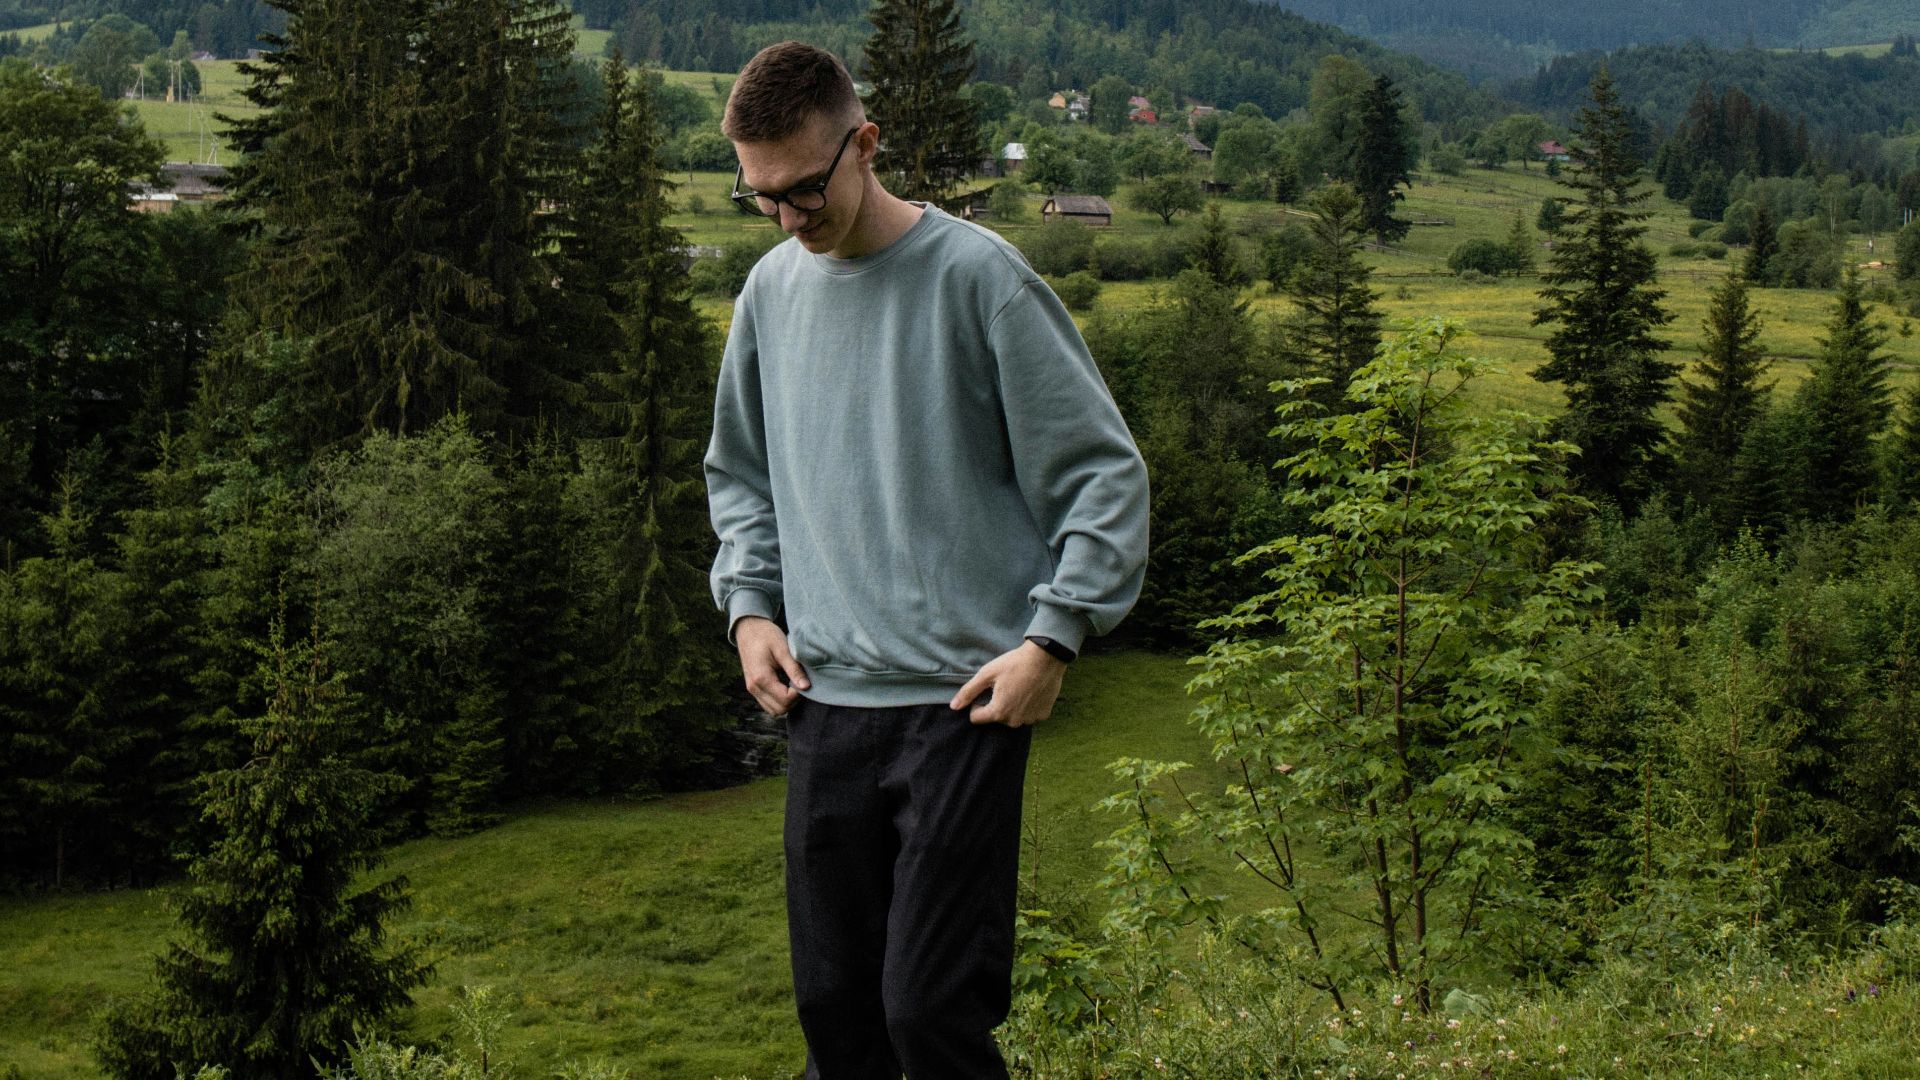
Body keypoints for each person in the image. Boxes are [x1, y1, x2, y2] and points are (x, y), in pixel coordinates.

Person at [704, 40, 1149, 1078]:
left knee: (928, 1015)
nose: (786, 217)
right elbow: (740, 476)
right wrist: (750, 609)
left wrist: (1053, 638)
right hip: (822, 704)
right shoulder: (769, 292)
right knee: (835, 1017)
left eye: (803, 188)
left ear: (864, 144)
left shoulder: (981, 280)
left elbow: (1103, 476)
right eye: (760, 195)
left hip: (963, 706)